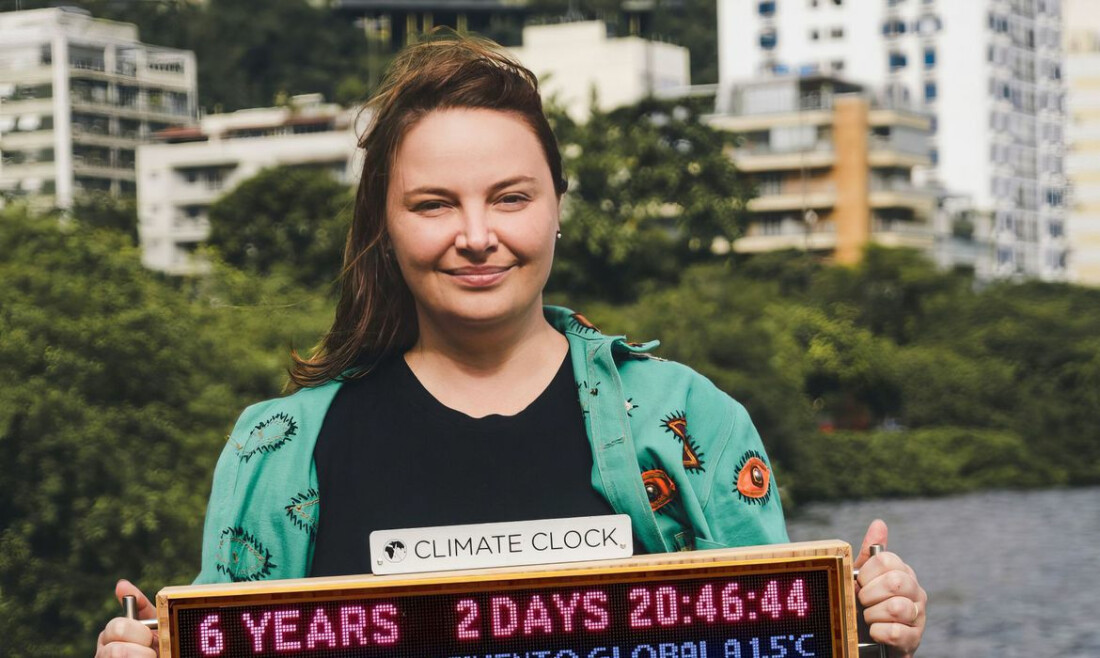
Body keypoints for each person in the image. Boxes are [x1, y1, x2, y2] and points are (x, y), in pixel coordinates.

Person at [96, 35, 926, 657]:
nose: (477, 236)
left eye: (510, 197)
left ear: (557, 205)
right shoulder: (277, 450)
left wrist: (870, 633)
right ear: (383, 227)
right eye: (432, 204)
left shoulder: (689, 423)